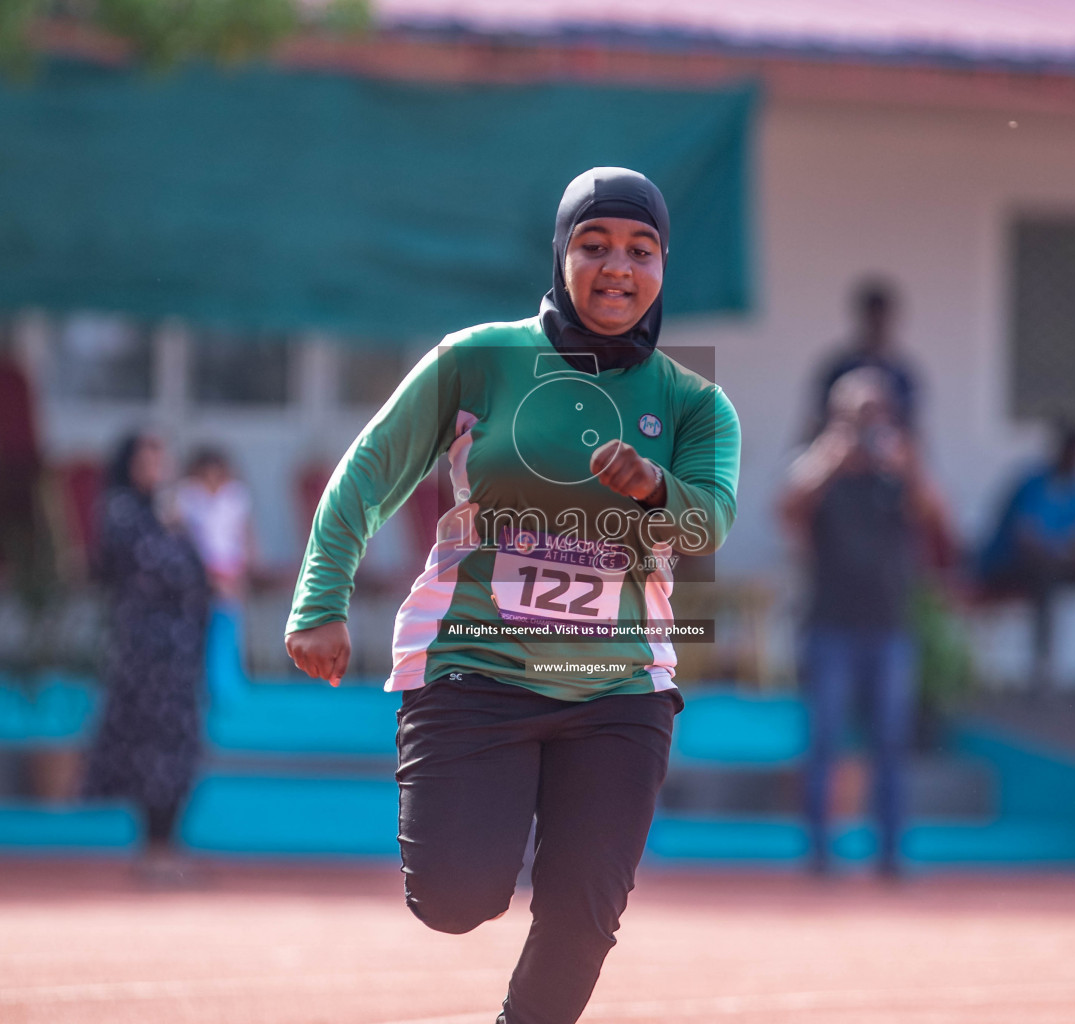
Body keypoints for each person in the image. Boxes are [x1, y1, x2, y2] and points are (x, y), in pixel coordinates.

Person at [285, 167, 739, 1024]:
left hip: (619, 687)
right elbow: (367, 476)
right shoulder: (479, 360)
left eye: (642, 250)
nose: (618, 266)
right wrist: (321, 599)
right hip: (474, 666)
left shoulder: (694, 406)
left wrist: (652, 490)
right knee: (455, 898)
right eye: (594, 244)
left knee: (584, 913)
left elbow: (707, 526)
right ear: (561, 254)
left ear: (664, 267)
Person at [779, 368, 947, 878]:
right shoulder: (817, 465)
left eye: (876, 414)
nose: (868, 426)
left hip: (889, 625)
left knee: (891, 743)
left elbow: (938, 522)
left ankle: (890, 857)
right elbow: (786, 511)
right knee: (825, 741)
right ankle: (818, 856)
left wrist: (908, 465)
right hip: (831, 624)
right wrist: (832, 457)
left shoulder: (899, 469)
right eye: (857, 415)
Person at [82, 432, 210, 885]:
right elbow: (164, 571)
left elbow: (200, 577)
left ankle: (167, 848)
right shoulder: (120, 513)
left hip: (181, 656)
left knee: (178, 753)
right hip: (145, 658)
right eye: (148, 454)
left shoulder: (169, 514)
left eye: (163, 453)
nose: (158, 463)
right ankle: (152, 852)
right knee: (150, 754)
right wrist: (175, 532)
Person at [979, 424, 1075, 692]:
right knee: (1046, 576)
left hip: (1057, 565)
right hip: (1009, 565)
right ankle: (1042, 668)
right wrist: (1064, 555)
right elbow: (1025, 538)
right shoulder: (1033, 483)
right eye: (1073, 454)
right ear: (1061, 453)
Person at [174, 446, 255, 707]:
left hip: (229, 571)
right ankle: (197, 683)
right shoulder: (187, 497)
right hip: (197, 571)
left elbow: (244, 537)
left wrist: (241, 571)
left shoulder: (235, 496)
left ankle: (226, 686)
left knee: (227, 628)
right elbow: (182, 538)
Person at [804, 278, 920, 439]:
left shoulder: (903, 375)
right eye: (872, 319)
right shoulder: (838, 369)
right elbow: (815, 422)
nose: (877, 326)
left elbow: (913, 432)